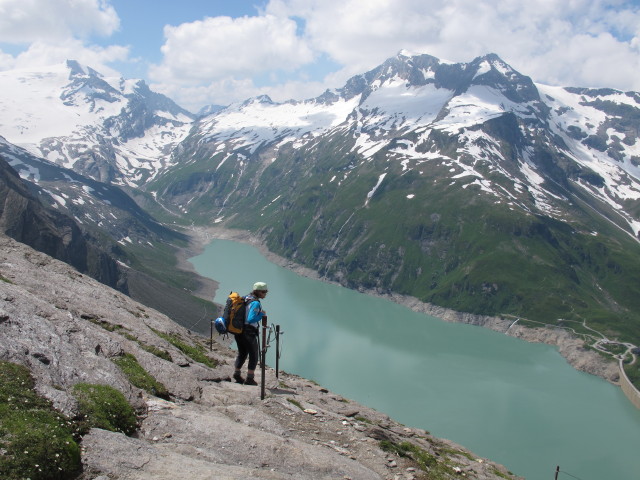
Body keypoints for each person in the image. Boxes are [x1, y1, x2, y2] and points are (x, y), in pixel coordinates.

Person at [233, 282, 268, 386]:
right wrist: (262, 314)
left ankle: (237, 373)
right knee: (254, 354)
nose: (265, 294)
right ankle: (250, 378)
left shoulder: (245, 298)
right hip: (248, 331)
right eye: (264, 291)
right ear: (258, 292)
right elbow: (251, 318)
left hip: (238, 330)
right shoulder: (256, 303)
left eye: (266, 291)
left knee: (242, 353)